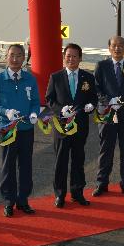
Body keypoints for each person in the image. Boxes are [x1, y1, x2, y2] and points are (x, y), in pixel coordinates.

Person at [0, 44, 40, 217]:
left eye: (19, 55)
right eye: (12, 55)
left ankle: (23, 200)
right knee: (8, 165)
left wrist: (34, 113)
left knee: (26, 165)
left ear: (24, 58)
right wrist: (5, 112)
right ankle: (9, 201)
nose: (15, 59)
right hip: (7, 129)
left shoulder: (30, 79)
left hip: (26, 128)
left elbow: (35, 101)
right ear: (6, 57)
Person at [45, 43, 97, 208]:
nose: (71, 59)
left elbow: (93, 98)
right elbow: (49, 99)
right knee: (61, 161)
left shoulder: (88, 77)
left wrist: (91, 106)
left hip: (80, 126)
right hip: (61, 126)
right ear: (64, 57)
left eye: (75, 56)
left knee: (78, 160)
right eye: (68, 56)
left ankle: (77, 193)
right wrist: (61, 110)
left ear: (80, 58)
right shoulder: (56, 77)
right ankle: (60, 194)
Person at [93, 35, 124, 199]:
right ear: (109, 48)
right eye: (114, 45)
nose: (117, 48)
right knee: (106, 149)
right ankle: (101, 183)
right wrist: (108, 101)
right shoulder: (102, 66)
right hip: (107, 113)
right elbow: (96, 88)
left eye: (121, 45)